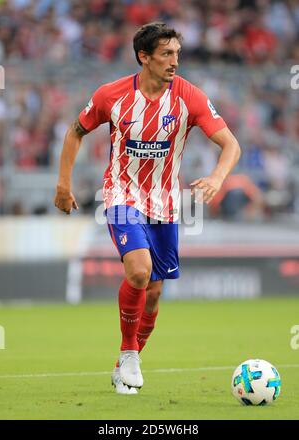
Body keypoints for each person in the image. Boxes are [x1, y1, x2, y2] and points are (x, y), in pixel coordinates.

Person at [54, 22, 241, 395]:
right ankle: (128, 352)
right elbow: (76, 131)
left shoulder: (189, 97)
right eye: (166, 54)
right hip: (122, 194)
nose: (175, 62)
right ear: (144, 57)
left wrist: (218, 178)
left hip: (165, 202)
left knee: (154, 291)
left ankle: (123, 362)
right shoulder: (112, 95)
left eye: (177, 54)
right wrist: (63, 183)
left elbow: (230, 144)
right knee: (139, 272)